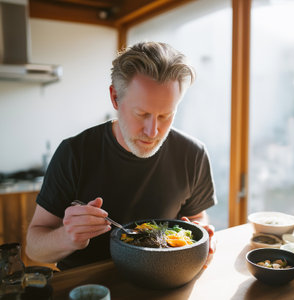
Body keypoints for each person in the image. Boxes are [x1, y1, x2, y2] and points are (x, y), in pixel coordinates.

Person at [25, 42, 217, 270]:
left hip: (162, 281)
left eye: (166, 115)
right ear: (115, 98)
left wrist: (202, 236)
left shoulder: (192, 154)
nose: (153, 131)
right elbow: (33, 248)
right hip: (89, 288)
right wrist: (67, 236)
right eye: (142, 114)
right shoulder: (74, 153)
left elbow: (197, 219)